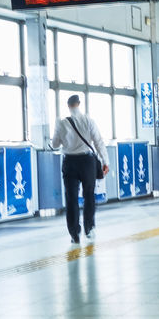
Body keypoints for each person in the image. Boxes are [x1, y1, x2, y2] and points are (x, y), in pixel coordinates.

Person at [51, 94, 110, 244]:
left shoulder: (61, 123)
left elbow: (55, 144)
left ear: (68, 105)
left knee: (71, 198)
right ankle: (89, 229)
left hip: (70, 162)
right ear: (79, 103)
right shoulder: (88, 120)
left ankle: (74, 233)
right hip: (87, 162)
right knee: (89, 195)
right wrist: (105, 161)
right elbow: (98, 141)